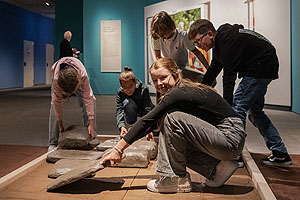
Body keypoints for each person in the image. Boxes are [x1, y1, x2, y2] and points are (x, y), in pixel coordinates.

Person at [101, 58, 246, 193]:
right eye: (155, 80)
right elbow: (152, 124)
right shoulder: (179, 90)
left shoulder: (179, 92)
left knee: (172, 118)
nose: (159, 84)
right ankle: (216, 169)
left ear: (175, 74)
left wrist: (118, 149)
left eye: (163, 77)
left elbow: (148, 120)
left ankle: (173, 179)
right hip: (227, 140)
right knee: (173, 138)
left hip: (229, 137)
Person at [188, 19, 292, 167]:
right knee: (255, 112)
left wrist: (226, 109)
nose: (198, 45)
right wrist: (199, 91)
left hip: (261, 66)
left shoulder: (228, 43)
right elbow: (213, 69)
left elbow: (228, 79)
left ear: (209, 34)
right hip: (263, 66)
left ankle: (234, 153)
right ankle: (280, 153)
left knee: (237, 107)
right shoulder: (219, 46)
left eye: (198, 41)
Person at [48, 57, 97, 152]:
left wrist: (91, 123)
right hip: (59, 75)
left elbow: (88, 98)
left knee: (92, 99)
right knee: (53, 104)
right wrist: (60, 124)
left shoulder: (83, 76)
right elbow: (57, 102)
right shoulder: (56, 80)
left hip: (78, 75)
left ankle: (92, 135)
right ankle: (53, 142)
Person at [150, 11, 209, 83]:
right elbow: (158, 56)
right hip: (168, 68)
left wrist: (209, 70)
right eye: (160, 35)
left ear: (170, 28)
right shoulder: (158, 37)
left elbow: (197, 53)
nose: (162, 38)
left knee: (207, 80)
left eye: (164, 34)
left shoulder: (183, 36)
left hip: (182, 68)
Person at [116, 66, 154, 137]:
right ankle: (132, 125)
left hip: (144, 110)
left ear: (135, 83)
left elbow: (148, 107)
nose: (128, 90)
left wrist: (148, 127)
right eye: (125, 87)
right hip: (132, 110)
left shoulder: (144, 89)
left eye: (130, 86)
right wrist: (122, 126)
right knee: (128, 102)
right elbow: (119, 111)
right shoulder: (120, 92)